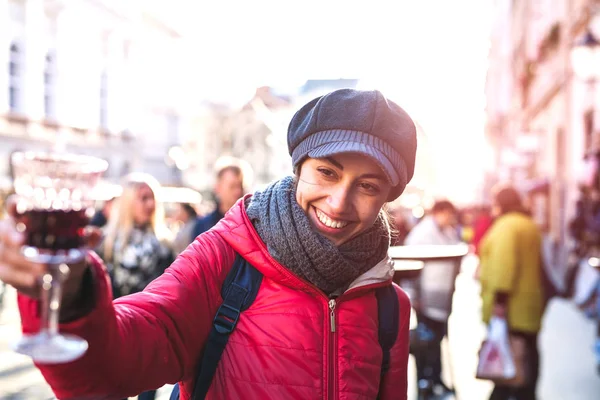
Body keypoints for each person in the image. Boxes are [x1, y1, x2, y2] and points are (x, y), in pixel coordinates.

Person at [0, 88, 416, 400]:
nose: (339, 201)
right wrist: (74, 297)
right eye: (327, 172)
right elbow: (113, 367)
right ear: (299, 168)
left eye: (367, 185)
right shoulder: (228, 256)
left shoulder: (388, 307)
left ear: (387, 197)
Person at [96, 173, 174, 400]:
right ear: (128, 202)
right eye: (143, 198)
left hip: (151, 336)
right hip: (113, 334)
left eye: (152, 198)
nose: (150, 204)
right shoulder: (106, 242)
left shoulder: (165, 243)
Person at [478, 185, 544, 400]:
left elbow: (503, 266)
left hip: (511, 308)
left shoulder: (506, 226)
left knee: (510, 359)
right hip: (530, 305)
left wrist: (499, 302)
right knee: (528, 356)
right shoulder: (528, 224)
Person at [404, 200, 461, 394]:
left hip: (443, 299)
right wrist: (414, 297)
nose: (451, 218)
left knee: (438, 339)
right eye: (448, 214)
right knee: (425, 341)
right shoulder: (421, 234)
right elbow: (410, 268)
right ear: (440, 212)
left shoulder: (448, 231)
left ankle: (437, 378)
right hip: (426, 299)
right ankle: (425, 381)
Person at [193, 163, 244, 237]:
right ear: (218, 188)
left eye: (240, 186)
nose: (238, 191)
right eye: (232, 186)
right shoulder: (204, 225)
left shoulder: (251, 224)